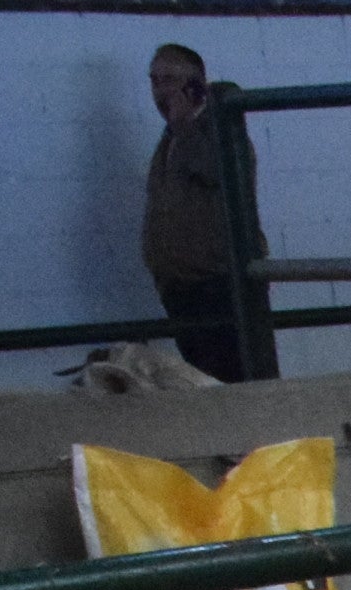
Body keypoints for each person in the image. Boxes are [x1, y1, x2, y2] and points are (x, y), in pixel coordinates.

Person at [141, 42, 253, 382]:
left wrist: (185, 124)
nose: (162, 90)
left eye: (171, 79)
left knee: (232, 378)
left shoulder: (220, 130)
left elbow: (217, 171)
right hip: (181, 287)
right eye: (156, 80)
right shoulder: (170, 139)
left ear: (195, 86)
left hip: (216, 284)